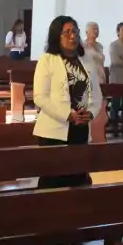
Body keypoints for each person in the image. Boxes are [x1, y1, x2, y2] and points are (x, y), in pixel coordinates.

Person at [32, 15, 102, 190]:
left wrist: (91, 112)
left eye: (75, 31)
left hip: (80, 127)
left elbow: (96, 93)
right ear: (57, 35)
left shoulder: (86, 60)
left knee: (78, 177)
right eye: (67, 32)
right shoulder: (47, 60)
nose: (73, 36)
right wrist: (67, 115)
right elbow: (40, 96)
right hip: (53, 131)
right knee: (54, 180)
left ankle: (75, 216)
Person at [82, 22, 107, 142]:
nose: (96, 31)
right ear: (87, 32)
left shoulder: (100, 46)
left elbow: (101, 63)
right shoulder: (82, 46)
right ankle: (88, 137)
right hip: (89, 80)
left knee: (100, 110)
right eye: (93, 29)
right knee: (90, 108)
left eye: (97, 29)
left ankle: (99, 137)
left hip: (100, 79)